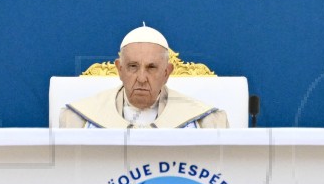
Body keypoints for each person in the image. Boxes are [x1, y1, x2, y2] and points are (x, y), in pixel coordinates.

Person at [59, 25, 229, 128]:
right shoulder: (77, 121)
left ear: (166, 73)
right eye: (133, 67)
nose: (141, 78)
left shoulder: (206, 123)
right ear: (119, 69)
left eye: (151, 68)